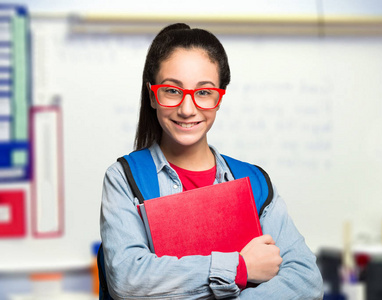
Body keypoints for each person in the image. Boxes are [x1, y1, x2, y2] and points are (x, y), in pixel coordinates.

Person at [100, 23, 323, 300]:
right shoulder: (126, 179)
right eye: (172, 91)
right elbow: (128, 280)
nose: (187, 109)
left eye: (204, 92)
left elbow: (305, 281)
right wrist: (240, 268)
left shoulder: (255, 183)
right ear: (152, 95)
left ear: (219, 98)